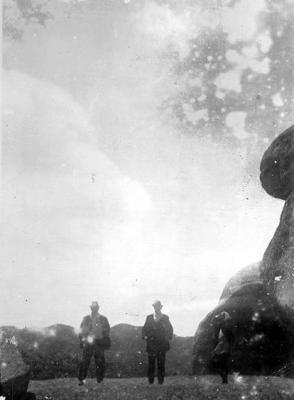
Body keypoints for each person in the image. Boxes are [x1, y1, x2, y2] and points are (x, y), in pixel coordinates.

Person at [78, 301, 111, 385]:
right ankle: (82, 380)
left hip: (99, 342)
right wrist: (82, 340)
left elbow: (107, 330)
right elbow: (81, 330)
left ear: (98, 308)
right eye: (93, 307)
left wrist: (105, 341)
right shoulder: (85, 318)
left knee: (100, 363)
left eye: (95, 307)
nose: (94, 309)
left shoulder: (103, 318)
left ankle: (100, 380)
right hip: (88, 342)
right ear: (91, 308)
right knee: (85, 362)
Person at [142, 300, 173, 384]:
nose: (157, 308)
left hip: (162, 344)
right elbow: (144, 329)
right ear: (154, 307)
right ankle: (151, 381)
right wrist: (144, 336)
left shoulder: (165, 317)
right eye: (155, 306)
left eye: (158, 306)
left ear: (161, 307)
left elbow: (170, 329)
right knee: (151, 363)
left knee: (161, 363)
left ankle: (160, 381)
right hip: (151, 344)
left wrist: (168, 337)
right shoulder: (149, 317)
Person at [210, 311, 233, 384]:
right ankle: (224, 379)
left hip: (224, 346)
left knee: (223, 364)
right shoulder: (221, 325)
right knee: (218, 363)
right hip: (221, 345)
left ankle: (224, 380)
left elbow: (230, 336)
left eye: (222, 316)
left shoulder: (226, 325)